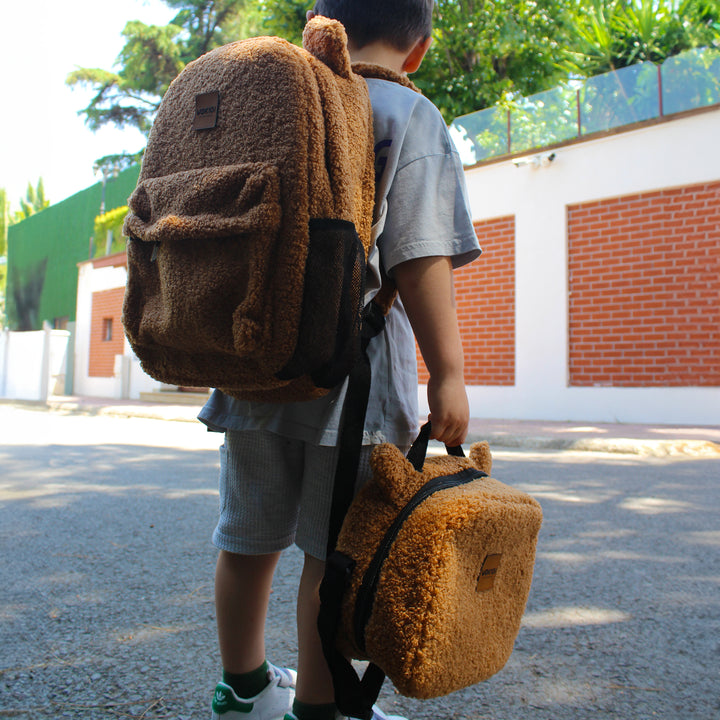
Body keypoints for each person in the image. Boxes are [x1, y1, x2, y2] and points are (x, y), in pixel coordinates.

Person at [199, 1, 482, 719]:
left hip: (253, 363)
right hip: (349, 383)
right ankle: (322, 711)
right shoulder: (406, 114)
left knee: (245, 538)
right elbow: (418, 260)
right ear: (417, 49)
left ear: (318, 28)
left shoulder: (277, 98)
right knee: (333, 556)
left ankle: (243, 691)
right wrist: (447, 374)